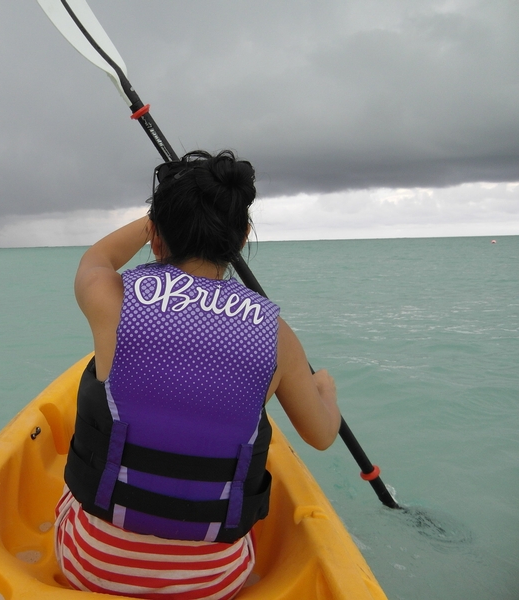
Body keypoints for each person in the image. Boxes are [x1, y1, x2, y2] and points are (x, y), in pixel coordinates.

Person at [54, 150, 340, 600]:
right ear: (242, 237)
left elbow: (98, 256)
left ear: (154, 233)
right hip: (213, 581)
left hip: (91, 564)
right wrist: (324, 388)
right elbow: (322, 435)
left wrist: (157, 218)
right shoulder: (278, 338)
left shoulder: (112, 299)